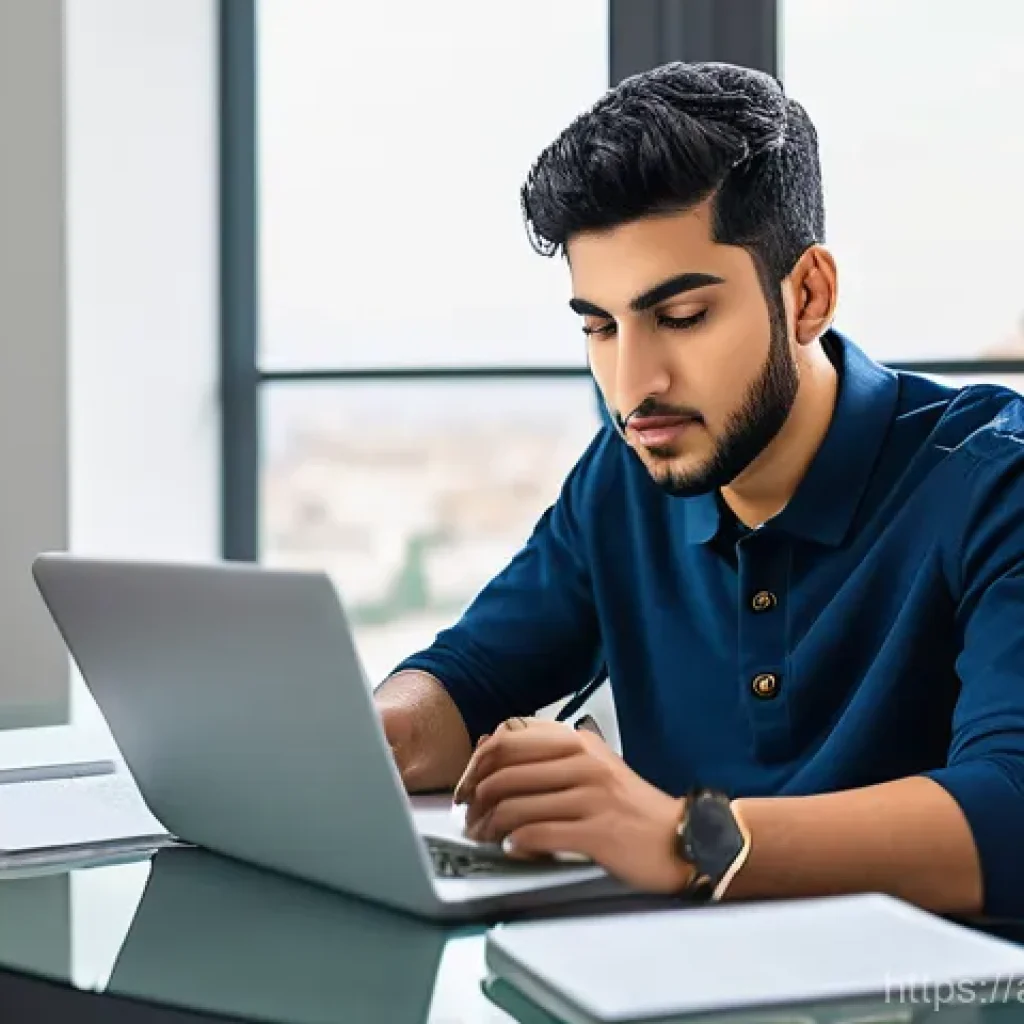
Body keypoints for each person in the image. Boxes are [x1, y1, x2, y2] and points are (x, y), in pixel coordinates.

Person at [374, 62, 1024, 917]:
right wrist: (372, 736)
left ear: (808, 295)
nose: (632, 384)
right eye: (600, 327)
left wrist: (691, 838)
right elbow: (465, 676)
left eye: (680, 318)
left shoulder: (992, 480)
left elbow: (1012, 810)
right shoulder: (628, 475)